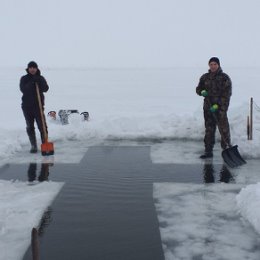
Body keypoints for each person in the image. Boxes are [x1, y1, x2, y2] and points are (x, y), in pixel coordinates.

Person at [196, 57, 232, 158]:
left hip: (220, 109)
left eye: (215, 64)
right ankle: (208, 151)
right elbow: (198, 89)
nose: (213, 66)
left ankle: (227, 150)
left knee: (223, 130)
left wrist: (218, 105)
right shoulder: (204, 77)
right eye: (211, 64)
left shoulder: (224, 77)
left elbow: (227, 94)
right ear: (209, 65)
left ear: (218, 65)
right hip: (208, 108)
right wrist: (201, 91)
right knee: (209, 129)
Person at [20, 61, 49, 153]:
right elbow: (23, 89)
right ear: (28, 69)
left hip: (38, 106)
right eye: (30, 67)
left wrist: (39, 81)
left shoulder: (40, 78)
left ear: (37, 69)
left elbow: (46, 89)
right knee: (30, 126)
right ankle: (33, 145)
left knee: (42, 126)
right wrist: (32, 81)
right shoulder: (24, 78)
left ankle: (45, 144)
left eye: (34, 67)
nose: (32, 69)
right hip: (27, 107)